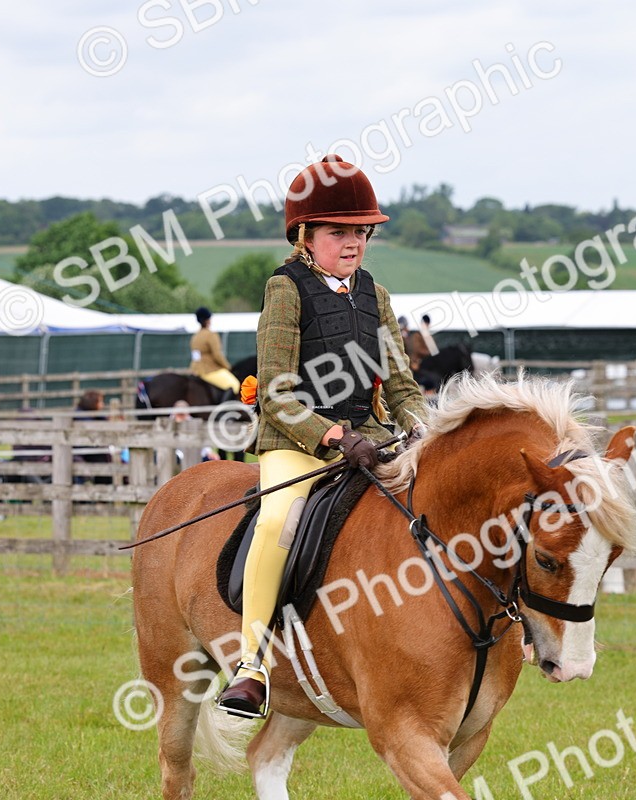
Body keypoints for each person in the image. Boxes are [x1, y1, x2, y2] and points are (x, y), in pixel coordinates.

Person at [215, 154, 429, 719]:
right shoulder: (286, 289)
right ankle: (252, 666)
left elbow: (401, 386)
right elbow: (275, 391)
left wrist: (423, 429)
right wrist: (333, 436)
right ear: (305, 235)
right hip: (296, 441)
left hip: (371, 437)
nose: (354, 242)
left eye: (361, 232)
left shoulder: (376, 294)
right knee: (278, 522)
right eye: (339, 232)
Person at [190, 306, 241, 399]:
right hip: (209, 370)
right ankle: (224, 407)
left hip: (196, 370)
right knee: (234, 385)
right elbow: (217, 355)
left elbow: (195, 356)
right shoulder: (211, 335)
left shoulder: (195, 336)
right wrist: (227, 366)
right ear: (207, 320)